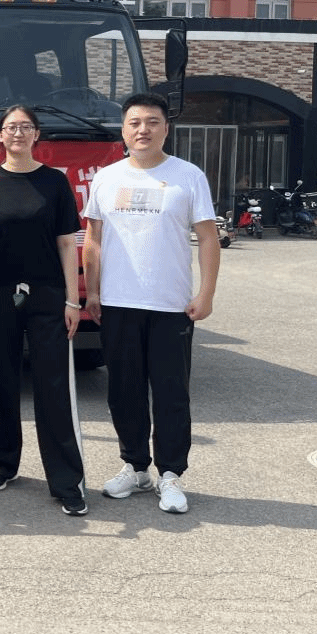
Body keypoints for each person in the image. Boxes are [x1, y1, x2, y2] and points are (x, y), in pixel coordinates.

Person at [83, 92, 219, 515]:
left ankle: (171, 474)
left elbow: (208, 238)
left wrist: (206, 293)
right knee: (123, 391)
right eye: (135, 122)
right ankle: (136, 467)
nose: (143, 130)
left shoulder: (188, 176)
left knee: (170, 392)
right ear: (124, 130)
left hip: (170, 305)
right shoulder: (106, 178)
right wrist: (92, 291)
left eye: (152, 122)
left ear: (166, 128)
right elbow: (93, 239)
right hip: (118, 302)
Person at [0, 106, 89, 516]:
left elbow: (67, 243)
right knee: (2, 380)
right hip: (0, 293)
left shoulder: (55, 182)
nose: (18, 133)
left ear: (37, 135)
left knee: (53, 387)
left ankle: (67, 482)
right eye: (11, 127)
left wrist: (73, 300)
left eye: (25, 127)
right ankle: (3, 464)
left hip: (47, 295)